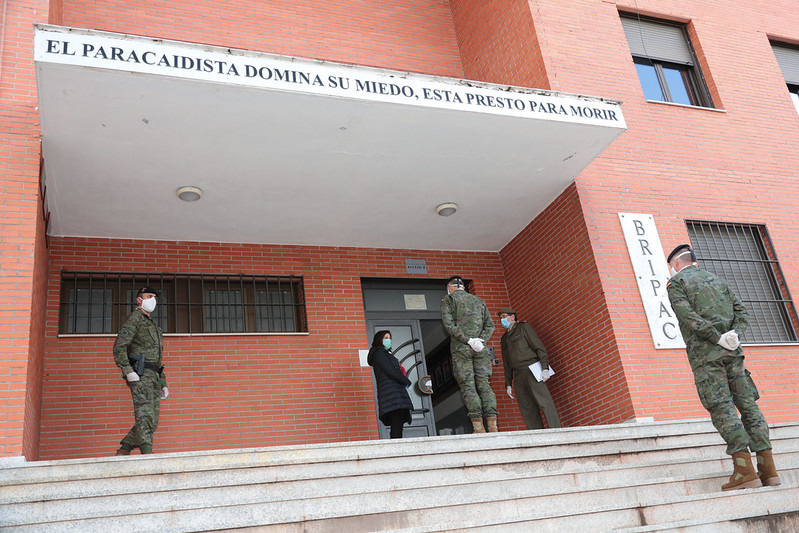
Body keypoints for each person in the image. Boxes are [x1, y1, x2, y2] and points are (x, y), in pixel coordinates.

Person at [666, 244, 780, 491]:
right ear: (693, 261)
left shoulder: (676, 284)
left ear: (675, 265)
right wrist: (734, 335)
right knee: (748, 404)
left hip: (707, 357)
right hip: (733, 353)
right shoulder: (719, 280)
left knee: (722, 407)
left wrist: (715, 337)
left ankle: (744, 471)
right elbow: (742, 311)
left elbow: (688, 317)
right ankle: (768, 469)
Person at [112, 287, 169, 455]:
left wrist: (163, 382)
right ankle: (147, 453)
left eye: (155, 297)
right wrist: (128, 371)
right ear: (139, 300)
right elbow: (119, 346)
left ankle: (124, 449)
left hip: (153, 376)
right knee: (145, 415)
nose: (153, 300)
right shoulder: (135, 318)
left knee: (152, 419)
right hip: (140, 374)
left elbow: (156, 358)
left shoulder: (152, 324)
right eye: (149, 296)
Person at [440, 275, 498, 433]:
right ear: (463, 287)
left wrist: (468, 340)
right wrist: (481, 341)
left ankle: (478, 428)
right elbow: (490, 325)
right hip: (480, 350)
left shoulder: (449, 300)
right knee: (485, 385)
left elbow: (449, 325)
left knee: (468, 387)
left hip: (461, 349)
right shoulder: (478, 301)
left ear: (450, 287)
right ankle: (493, 425)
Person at [497, 308, 562, 430]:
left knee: (544, 402)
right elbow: (506, 363)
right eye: (500, 318)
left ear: (513, 317)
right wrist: (508, 383)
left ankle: (556, 430)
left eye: (504, 316)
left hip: (531, 368)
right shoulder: (504, 338)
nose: (502, 319)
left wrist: (545, 368)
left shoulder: (523, 327)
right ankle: (538, 436)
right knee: (527, 408)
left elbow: (539, 347)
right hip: (518, 374)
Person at [367, 330, 413, 439]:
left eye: (389, 338)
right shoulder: (379, 353)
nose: (389, 340)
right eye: (385, 338)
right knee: (396, 423)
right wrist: (406, 381)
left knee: (398, 422)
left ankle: (397, 448)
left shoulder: (384, 354)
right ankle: (396, 450)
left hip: (394, 394)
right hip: (392, 395)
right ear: (379, 339)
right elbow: (391, 371)